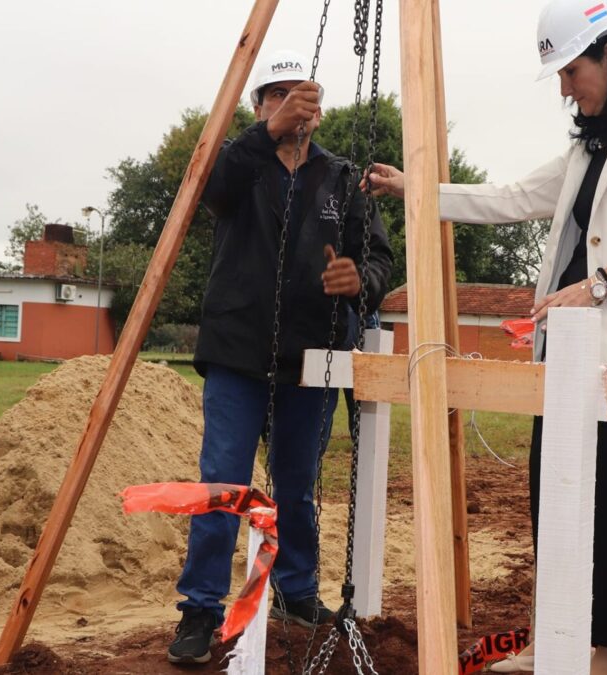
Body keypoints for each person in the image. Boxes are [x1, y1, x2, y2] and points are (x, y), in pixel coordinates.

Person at [365, 0, 607, 671]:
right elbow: (511, 197)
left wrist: (602, 282)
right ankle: (559, 635)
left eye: (571, 70)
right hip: (574, 358)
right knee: (553, 490)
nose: (564, 88)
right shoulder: (592, 144)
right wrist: (419, 190)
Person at [168, 49, 393, 666]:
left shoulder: (341, 178)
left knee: (296, 486)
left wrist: (361, 281)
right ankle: (200, 610)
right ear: (259, 104)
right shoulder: (239, 164)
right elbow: (209, 193)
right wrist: (264, 135)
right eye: (278, 95)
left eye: (304, 95)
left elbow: (378, 256)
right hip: (238, 352)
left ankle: (296, 591)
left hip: (311, 355)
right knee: (223, 484)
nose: (294, 105)